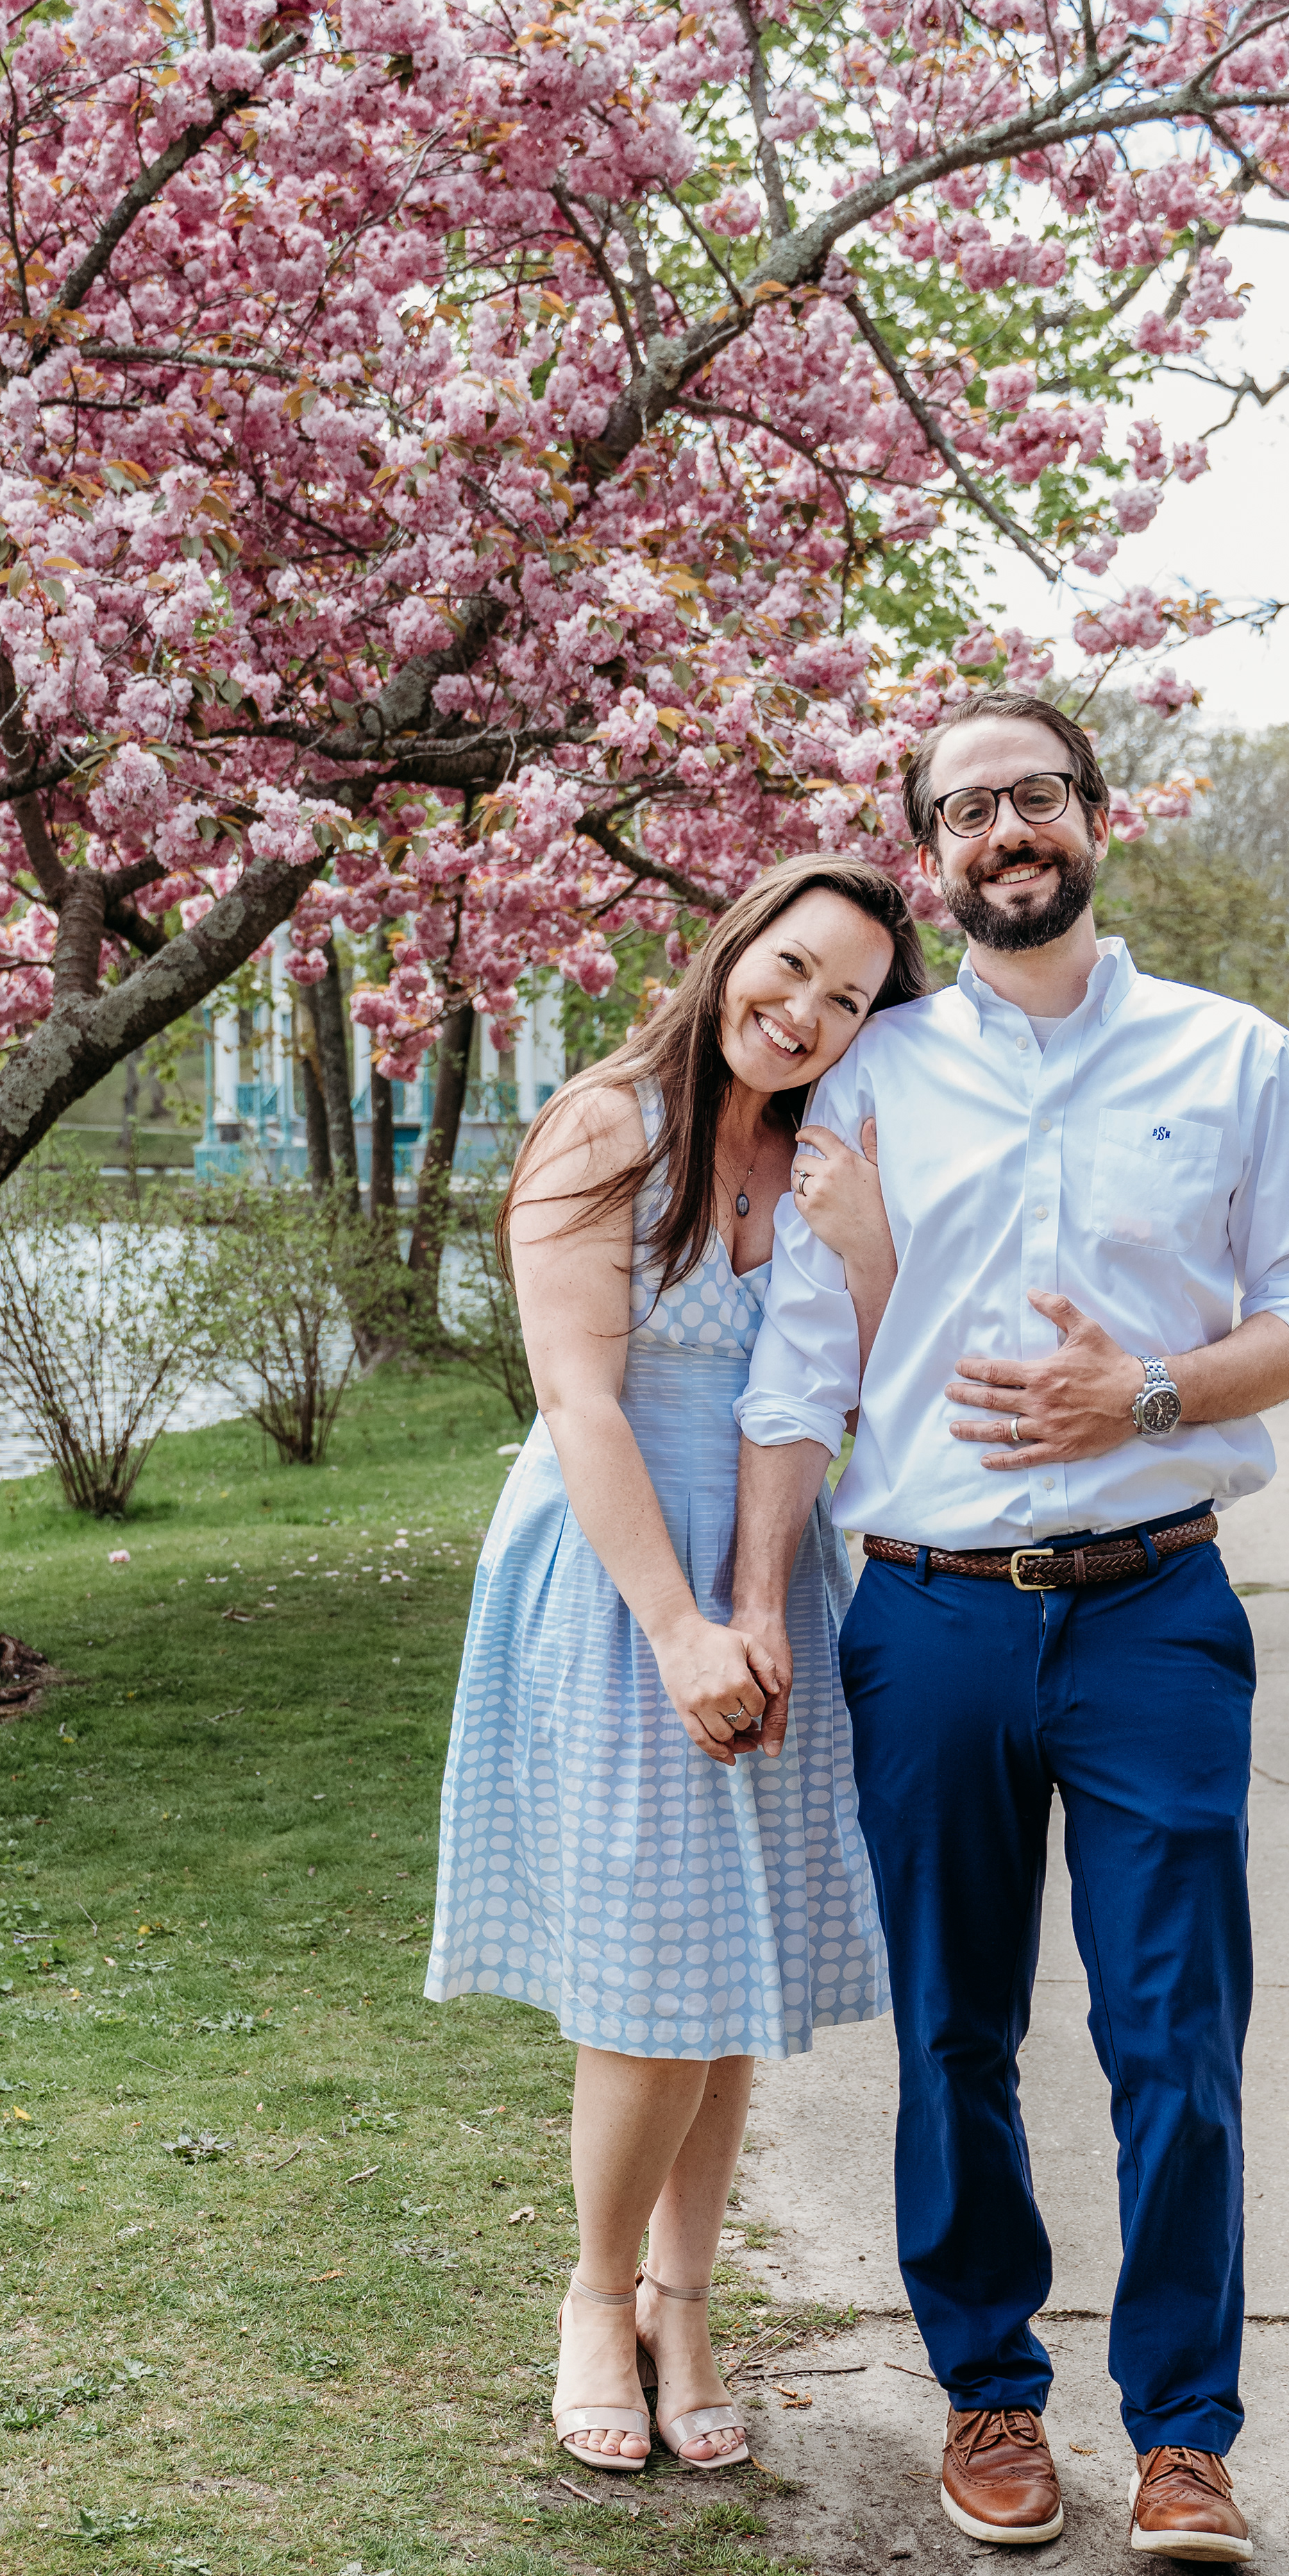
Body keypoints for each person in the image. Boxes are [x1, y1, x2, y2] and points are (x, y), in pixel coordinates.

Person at [729, 692, 1289, 2568]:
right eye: (966, 809)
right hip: (930, 1617)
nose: (1006, 830)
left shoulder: (1234, 1058)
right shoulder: (870, 1075)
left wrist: (1147, 1394)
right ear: (930, 853)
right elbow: (802, 1365)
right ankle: (990, 2392)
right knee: (955, 2031)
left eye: (1036, 797)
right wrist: (754, 1606)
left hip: (1153, 1604)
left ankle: (1184, 2436)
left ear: (1098, 817)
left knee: (1178, 2031)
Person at [424, 854, 925, 2474]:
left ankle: (684, 2301)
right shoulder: (605, 1129)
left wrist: (870, 1253)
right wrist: (678, 1626)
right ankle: (594, 2296)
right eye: (792, 967)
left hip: (777, 1560)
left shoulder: (825, 1157)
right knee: (650, 1967)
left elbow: (865, 1383)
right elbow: (580, 1399)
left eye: (848, 998)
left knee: (728, 1969)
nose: (806, 1012)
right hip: (620, 1567)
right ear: (731, 948)